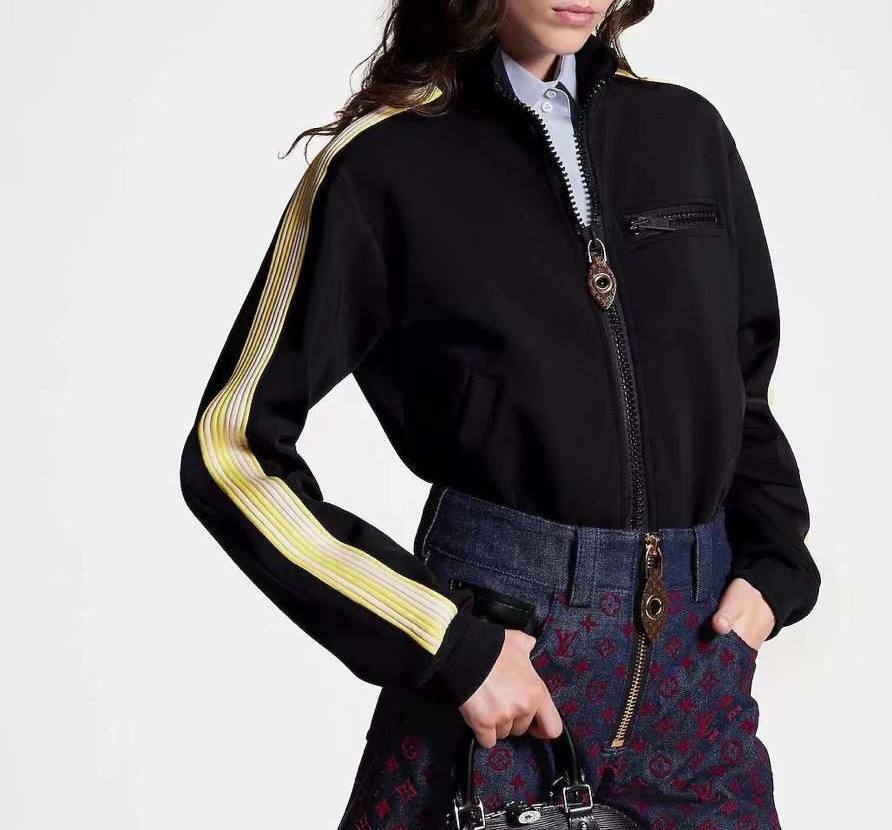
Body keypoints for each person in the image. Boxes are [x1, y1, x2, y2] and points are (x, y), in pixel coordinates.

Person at [178, 1, 820, 826]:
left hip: (696, 673)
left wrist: (776, 558)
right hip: (505, 665)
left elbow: (740, 380)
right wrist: (447, 645)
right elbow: (231, 451)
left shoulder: (685, 134)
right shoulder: (385, 163)